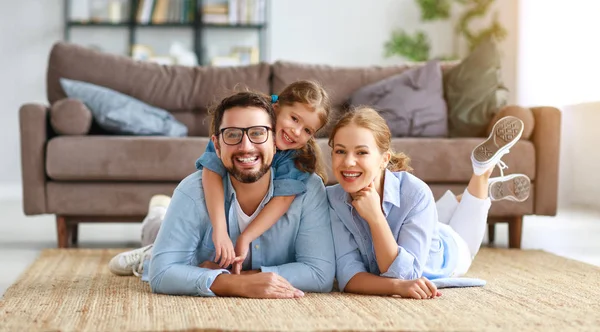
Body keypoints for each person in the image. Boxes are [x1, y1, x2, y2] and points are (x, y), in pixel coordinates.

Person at [109, 91, 335, 298]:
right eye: (233, 135)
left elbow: (320, 273)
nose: (246, 146)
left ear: (273, 139)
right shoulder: (193, 189)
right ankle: (152, 243)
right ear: (216, 145)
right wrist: (238, 285)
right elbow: (163, 274)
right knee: (157, 236)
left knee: (170, 242)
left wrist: (245, 277)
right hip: (180, 236)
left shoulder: (305, 185)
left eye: (258, 133)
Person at [327, 107, 530, 299]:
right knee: (426, 208)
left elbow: (406, 274)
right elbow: (349, 277)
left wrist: (376, 218)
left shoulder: (414, 192)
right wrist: (397, 288)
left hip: (447, 247)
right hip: (423, 224)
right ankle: (479, 194)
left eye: (361, 152)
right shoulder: (332, 200)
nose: (348, 162)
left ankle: (482, 174)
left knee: (465, 245)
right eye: (340, 151)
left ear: (384, 159)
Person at [197, 81, 331, 273]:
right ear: (276, 108)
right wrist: (220, 230)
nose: (296, 131)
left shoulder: (295, 158)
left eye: (307, 130)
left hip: (255, 236)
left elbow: (283, 199)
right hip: (214, 217)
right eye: (294, 119)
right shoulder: (235, 132)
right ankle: (157, 217)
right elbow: (211, 171)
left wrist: (245, 238)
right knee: (159, 235)